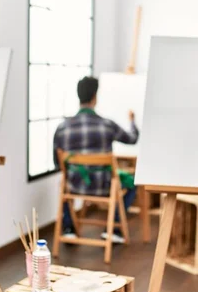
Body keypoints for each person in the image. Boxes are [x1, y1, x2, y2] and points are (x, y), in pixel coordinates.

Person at [53, 76, 139, 244]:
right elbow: (132, 139)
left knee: (62, 181)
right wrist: (132, 121)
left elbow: (58, 164)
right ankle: (113, 228)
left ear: (79, 97)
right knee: (133, 182)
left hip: (74, 187)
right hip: (103, 187)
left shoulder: (62, 128)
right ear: (94, 97)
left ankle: (68, 228)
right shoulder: (107, 125)